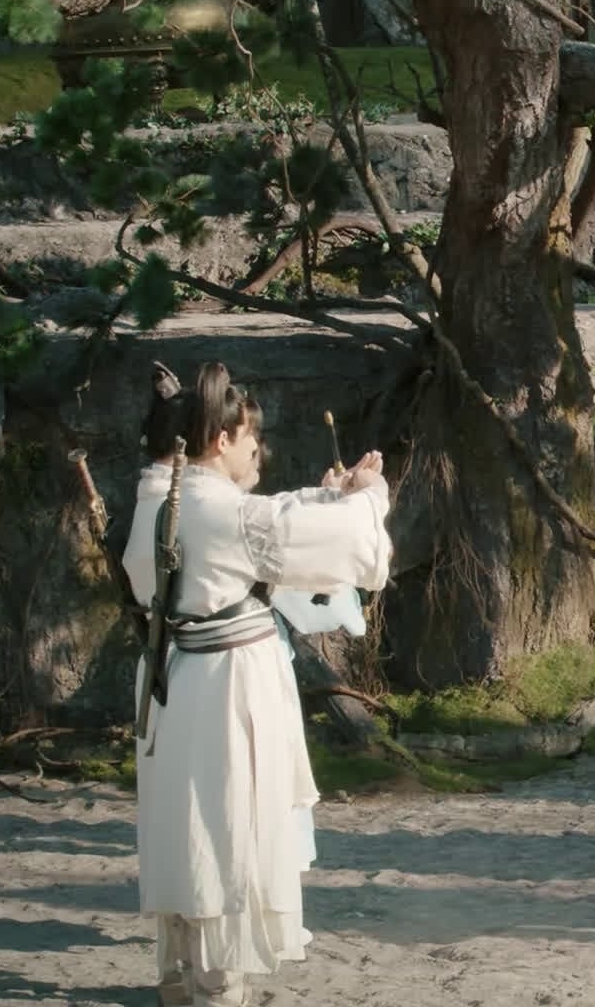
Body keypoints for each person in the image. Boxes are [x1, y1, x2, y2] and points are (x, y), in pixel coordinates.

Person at [124, 362, 393, 1007]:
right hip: (227, 690)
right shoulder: (216, 510)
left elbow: (264, 525)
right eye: (249, 439)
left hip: (178, 680)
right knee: (227, 829)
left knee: (189, 826)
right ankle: (218, 986)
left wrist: (328, 498)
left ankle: (183, 975)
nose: (256, 451)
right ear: (221, 439)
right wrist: (367, 498)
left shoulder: (159, 494)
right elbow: (285, 534)